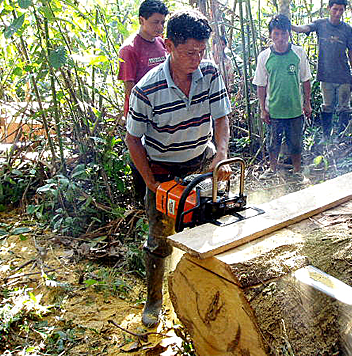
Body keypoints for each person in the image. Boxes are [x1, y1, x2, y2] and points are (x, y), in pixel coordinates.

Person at [125, 9, 231, 328]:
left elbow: (222, 117)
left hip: (201, 159)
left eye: (200, 51)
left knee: (211, 222)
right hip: (163, 167)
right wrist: (151, 183)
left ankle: (211, 290)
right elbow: (133, 141)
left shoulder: (210, 74)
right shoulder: (147, 88)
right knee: (160, 239)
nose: (195, 59)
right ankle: (154, 300)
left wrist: (222, 153)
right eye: (188, 52)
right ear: (169, 45)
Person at [118, 0, 169, 202]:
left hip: (164, 111)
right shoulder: (129, 49)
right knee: (140, 156)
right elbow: (129, 87)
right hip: (140, 112)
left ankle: (161, 196)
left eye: (162, 22)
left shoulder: (162, 43)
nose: (160, 27)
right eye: (155, 22)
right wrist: (132, 115)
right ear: (142, 20)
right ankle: (141, 200)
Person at [253, 14, 312, 182]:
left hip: (295, 109)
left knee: (296, 143)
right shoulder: (264, 56)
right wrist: (262, 108)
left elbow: (306, 79)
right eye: (276, 34)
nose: (280, 38)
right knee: (273, 143)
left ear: (289, 33)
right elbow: (261, 85)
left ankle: (297, 171)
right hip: (274, 110)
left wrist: (307, 104)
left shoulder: (298, 52)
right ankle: (272, 169)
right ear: (271, 34)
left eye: (284, 34)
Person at [292, 0, 352, 140]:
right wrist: (290, 26)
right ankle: (326, 136)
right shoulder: (320, 24)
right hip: (326, 75)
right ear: (329, 8)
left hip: (343, 75)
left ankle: (343, 137)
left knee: (344, 107)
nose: (338, 13)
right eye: (335, 9)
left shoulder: (347, 29)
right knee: (327, 106)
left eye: (341, 10)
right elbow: (304, 28)